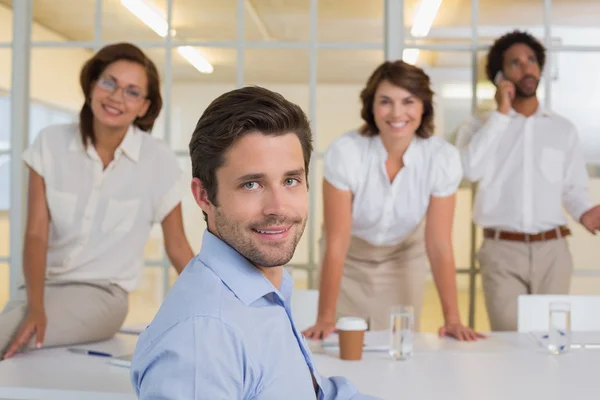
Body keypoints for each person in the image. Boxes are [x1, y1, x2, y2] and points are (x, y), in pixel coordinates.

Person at [130, 86, 379, 399]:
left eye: (290, 180)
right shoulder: (203, 339)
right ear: (204, 196)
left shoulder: (266, 291)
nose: (278, 207)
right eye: (251, 184)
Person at [0, 43, 194, 359]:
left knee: (8, 335)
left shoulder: (158, 161)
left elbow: (178, 247)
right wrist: (35, 306)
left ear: (144, 107)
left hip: (103, 296)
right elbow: (36, 234)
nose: (117, 97)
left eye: (132, 92)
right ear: (92, 85)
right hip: (40, 289)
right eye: (109, 82)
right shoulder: (50, 143)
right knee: (12, 332)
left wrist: (223, 305)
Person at [302, 60, 484, 341]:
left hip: (404, 256)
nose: (397, 113)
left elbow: (438, 244)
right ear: (371, 106)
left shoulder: (442, 158)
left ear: (423, 106)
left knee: (397, 342)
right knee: (344, 345)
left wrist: (453, 319)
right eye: (385, 101)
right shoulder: (347, 152)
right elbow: (337, 241)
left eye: (408, 101)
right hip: (349, 258)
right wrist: (325, 317)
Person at [456, 30, 600, 331]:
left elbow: (573, 188)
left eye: (531, 60)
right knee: (510, 339)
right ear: (500, 76)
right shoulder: (478, 127)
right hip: (501, 252)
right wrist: (501, 114)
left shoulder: (562, 129)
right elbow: (469, 171)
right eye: (515, 63)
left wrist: (584, 212)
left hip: (553, 251)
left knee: (552, 340)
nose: (526, 68)